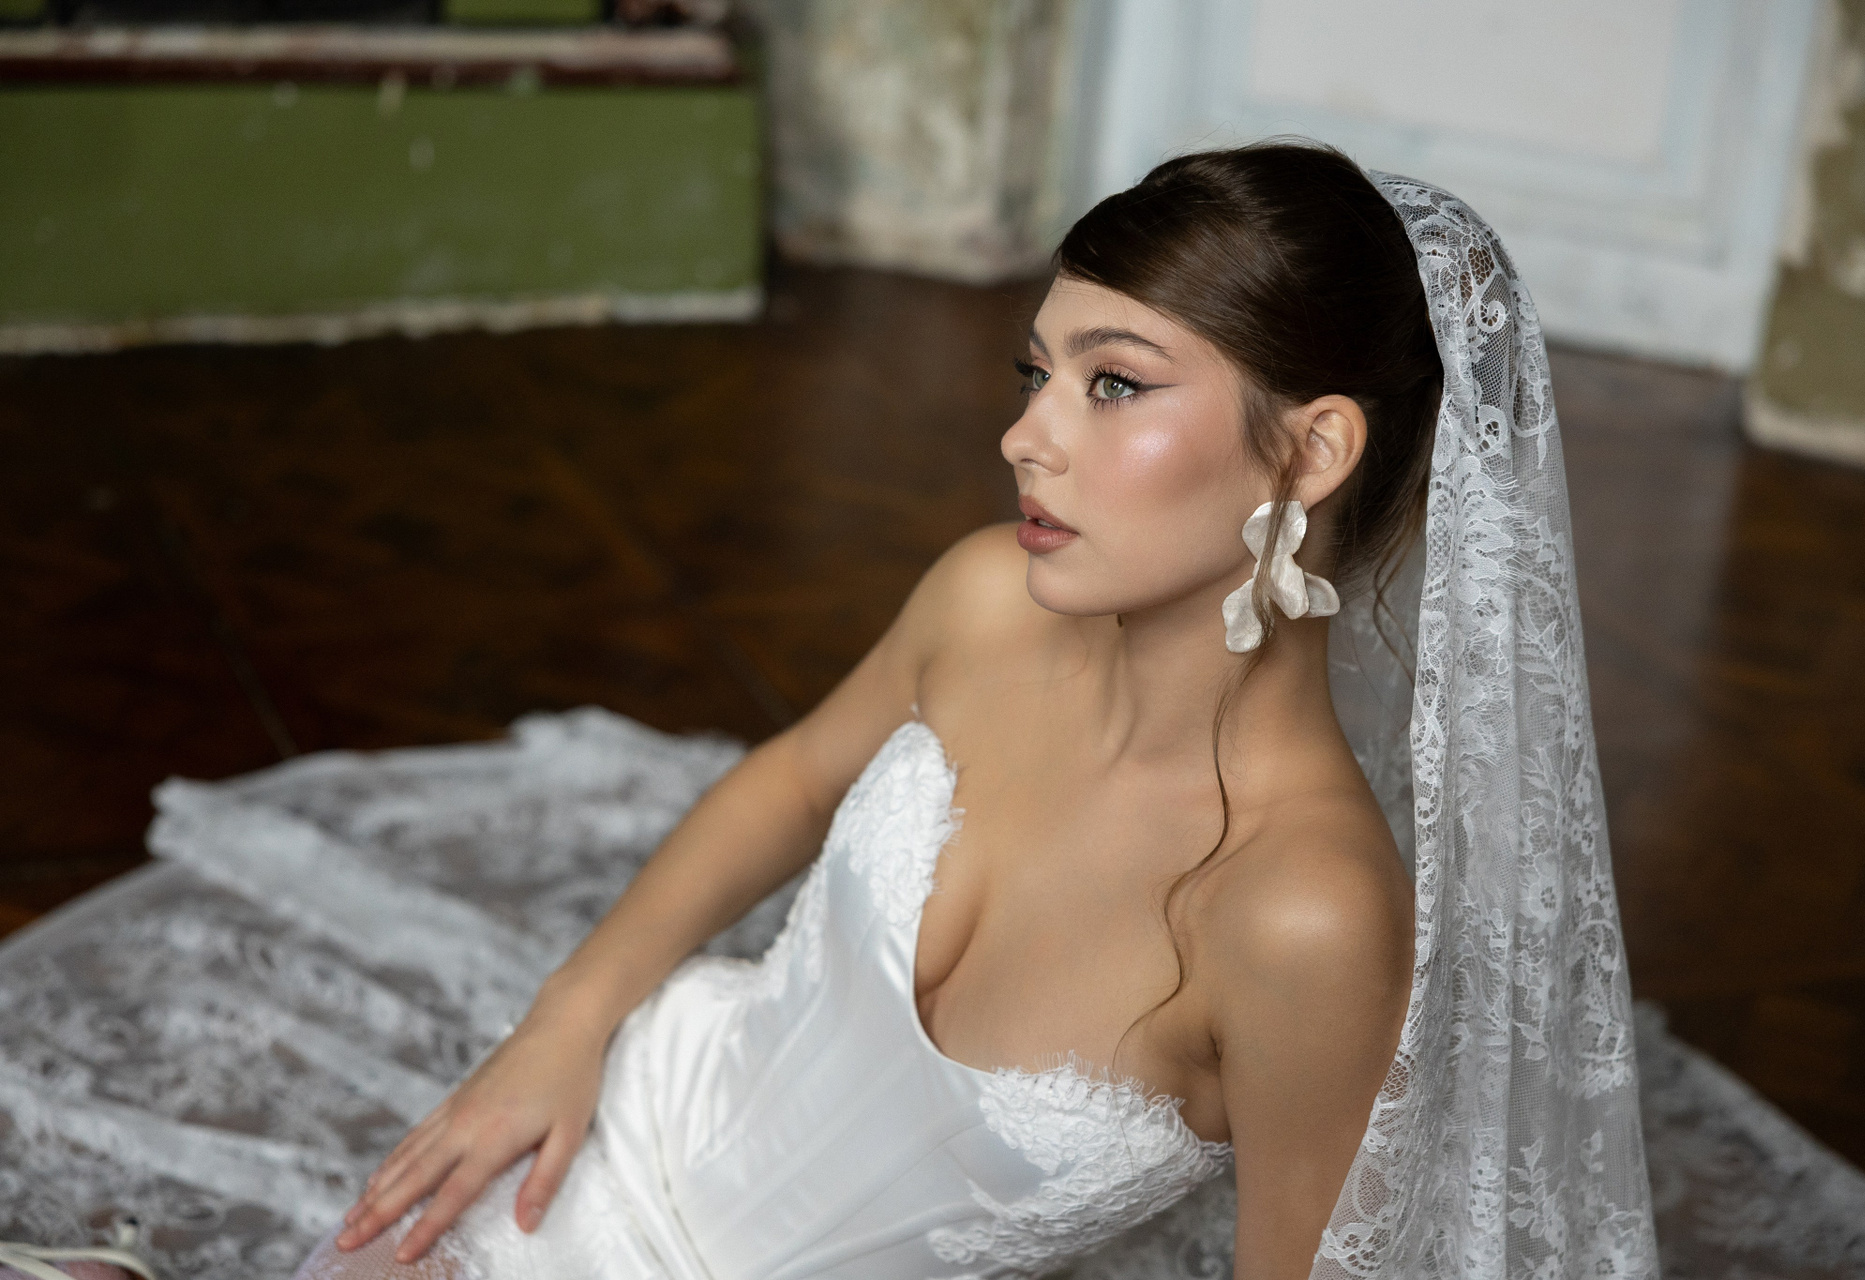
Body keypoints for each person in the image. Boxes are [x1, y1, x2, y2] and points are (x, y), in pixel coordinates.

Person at [279, 141, 1655, 1280]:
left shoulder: (1307, 917)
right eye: (1036, 374)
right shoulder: (990, 600)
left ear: (1311, 450)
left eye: (1114, 383)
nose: (1026, 436)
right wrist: (565, 1023)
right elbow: (794, 779)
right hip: (617, 1132)